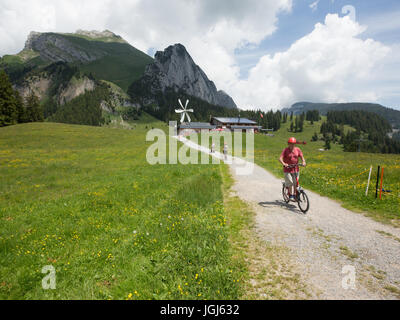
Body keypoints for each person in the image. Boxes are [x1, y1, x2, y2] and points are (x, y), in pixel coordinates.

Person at [279, 137, 306, 201]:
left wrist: (303, 162)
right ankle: (290, 195)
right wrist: (284, 163)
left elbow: (302, 156)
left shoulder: (298, 149)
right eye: (290, 143)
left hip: (296, 169)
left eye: (293, 144)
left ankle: (294, 195)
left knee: (296, 183)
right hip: (287, 169)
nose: (292, 145)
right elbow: (280, 158)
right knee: (290, 182)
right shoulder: (285, 150)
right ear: (288, 144)